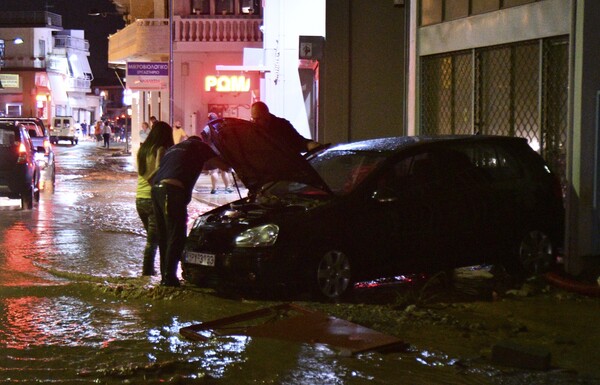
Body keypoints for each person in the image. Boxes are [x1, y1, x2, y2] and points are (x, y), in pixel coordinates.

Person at [151, 136, 228, 287]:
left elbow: (205, 166)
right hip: (172, 192)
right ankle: (169, 279)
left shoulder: (174, 149)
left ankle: (165, 277)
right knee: (177, 235)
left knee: (164, 235)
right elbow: (222, 166)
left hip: (156, 191)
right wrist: (231, 163)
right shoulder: (199, 146)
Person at [135, 121, 175, 276]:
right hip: (153, 200)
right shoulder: (160, 149)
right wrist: (152, 179)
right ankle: (147, 273)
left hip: (139, 199)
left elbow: (140, 171)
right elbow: (160, 170)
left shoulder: (143, 150)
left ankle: (151, 271)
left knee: (154, 238)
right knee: (153, 241)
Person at [250, 101, 321, 152]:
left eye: (257, 119)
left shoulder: (282, 126)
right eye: (253, 119)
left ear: (266, 115)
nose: (255, 122)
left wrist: (308, 144)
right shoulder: (252, 130)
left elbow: (297, 141)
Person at [202, 112, 233, 194]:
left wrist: (207, 143)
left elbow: (203, 133)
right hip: (222, 151)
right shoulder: (220, 125)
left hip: (212, 150)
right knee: (224, 170)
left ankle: (214, 189)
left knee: (214, 171)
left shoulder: (208, 126)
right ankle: (228, 187)